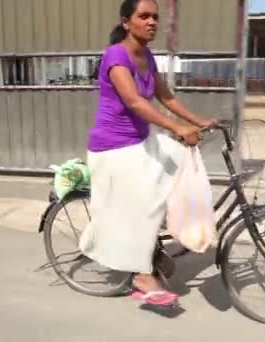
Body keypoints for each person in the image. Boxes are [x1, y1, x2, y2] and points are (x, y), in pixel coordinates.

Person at [79, 0, 216, 306]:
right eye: (144, 16)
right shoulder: (116, 56)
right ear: (127, 22)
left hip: (140, 141)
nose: (152, 21)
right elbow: (135, 102)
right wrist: (178, 129)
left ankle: (155, 243)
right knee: (148, 201)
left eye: (155, 16)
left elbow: (165, 96)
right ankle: (141, 275)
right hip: (114, 148)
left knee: (182, 162)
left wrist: (198, 121)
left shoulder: (147, 57)